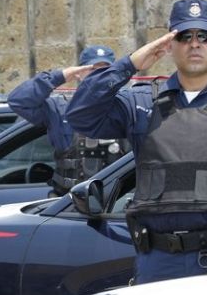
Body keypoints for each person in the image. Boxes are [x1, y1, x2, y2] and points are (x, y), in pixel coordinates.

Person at [65, 0, 207, 285]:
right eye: (184, 36)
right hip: (158, 262)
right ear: (169, 45)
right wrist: (130, 64)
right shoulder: (142, 101)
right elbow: (79, 114)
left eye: (205, 36)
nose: (195, 43)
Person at [8, 44, 126, 196]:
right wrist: (60, 76)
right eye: (92, 69)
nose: (98, 75)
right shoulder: (59, 109)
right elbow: (18, 101)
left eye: (105, 70)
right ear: (79, 73)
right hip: (67, 205)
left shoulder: (125, 107)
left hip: (113, 204)